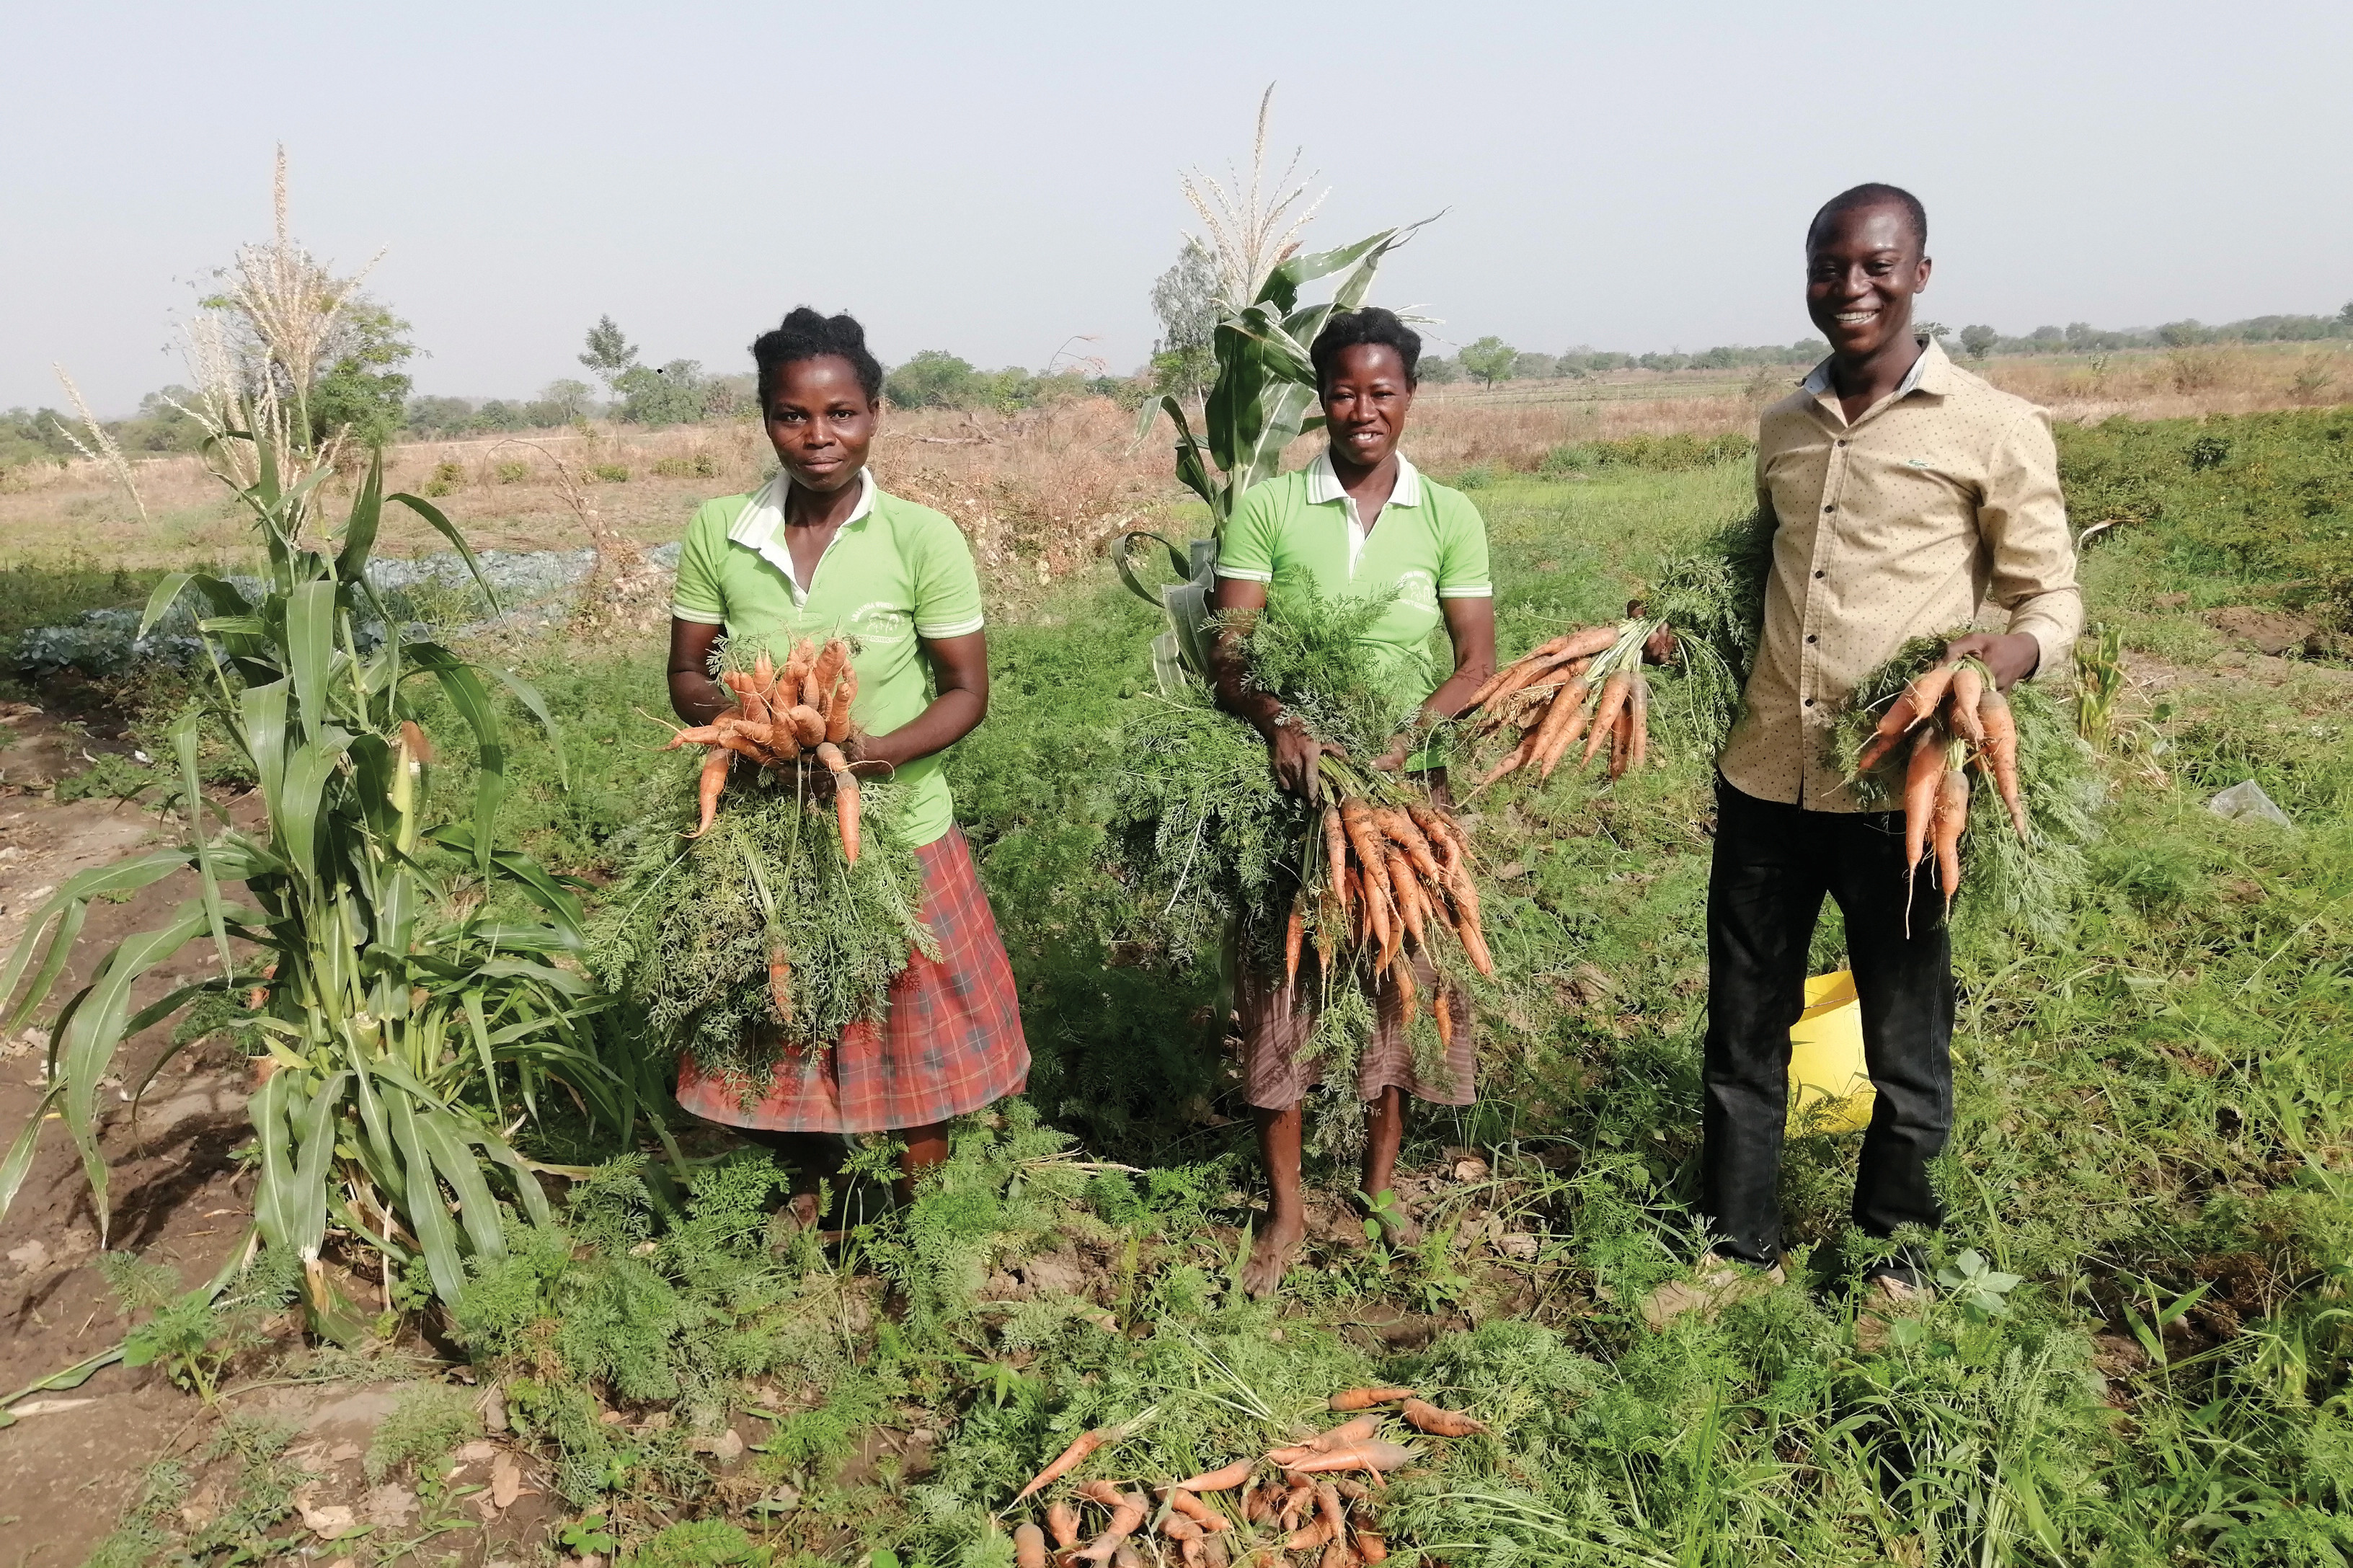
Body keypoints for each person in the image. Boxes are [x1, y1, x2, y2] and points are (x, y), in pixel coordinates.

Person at [1648, 185, 2082, 1323]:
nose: (1850, 287)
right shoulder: (1783, 423)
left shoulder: (1991, 424)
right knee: (1743, 1029)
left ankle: (1895, 1259)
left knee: (1904, 1041)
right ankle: (1734, 1249)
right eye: (1828, 266)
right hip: (1764, 777)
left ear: (1922, 274)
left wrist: (2004, 659)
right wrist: (1678, 634)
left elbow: (2050, 592)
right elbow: (1768, 571)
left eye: (1876, 266)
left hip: (1902, 789)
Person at [665, 307, 1029, 1223]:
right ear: (764, 417)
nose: (818, 437)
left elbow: (964, 693)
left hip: (897, 832)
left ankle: (920, 1227)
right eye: (793, 415)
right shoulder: (721, 528)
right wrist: (749, 731)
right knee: (786, 1022)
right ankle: (810, 1196)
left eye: (842, 414)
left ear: (876, 413)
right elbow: (684, 670)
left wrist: (867, 756)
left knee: (912, 1043)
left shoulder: (920, 538)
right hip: (765, 833)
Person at [1208, 306, 1498, 1298]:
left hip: (1406, 791)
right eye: (1343, 391)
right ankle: (1287, 1211)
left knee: (1397, 980)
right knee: (1281, 991)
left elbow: (1476, 659)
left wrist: (1416, 730)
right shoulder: (1270, 507)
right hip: (1293, 784)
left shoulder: (1450, 514)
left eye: (1382, 392)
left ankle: (1378, 1187)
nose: (1363, 410)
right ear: (1319, 398)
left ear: (1409, 397)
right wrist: (1281, 718)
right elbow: (1232, 655)